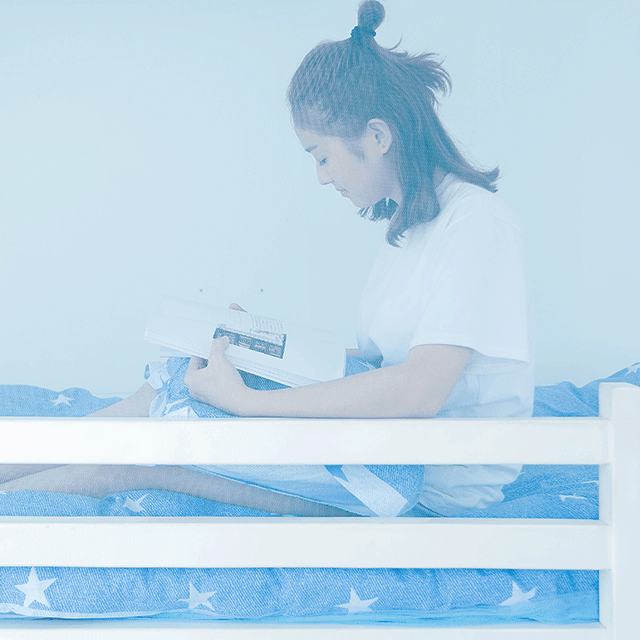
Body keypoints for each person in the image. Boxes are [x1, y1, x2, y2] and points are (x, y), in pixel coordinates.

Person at [0, 1, 533, 517]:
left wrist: (249, 402)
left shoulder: (476, 224)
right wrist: (259, 349)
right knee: (170, 382)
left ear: (377, 136)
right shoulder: (413, 227)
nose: (322, 176)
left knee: (142, 457)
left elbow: (420, 389)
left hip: (421, 484)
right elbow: (382, 365)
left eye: (322, 156)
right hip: (387, 443)